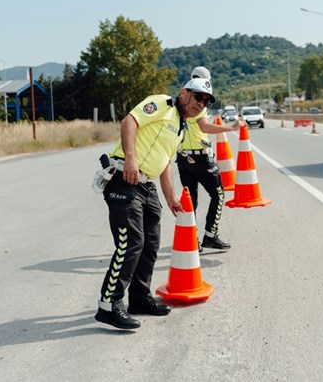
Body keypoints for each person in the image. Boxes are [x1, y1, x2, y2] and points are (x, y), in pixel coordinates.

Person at [94, 77, 216, 330]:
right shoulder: (163, 103)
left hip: (147, 186)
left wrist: (170, 197)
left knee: (150, 244)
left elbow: (165, 165)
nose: (201, 104)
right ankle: (109, 304)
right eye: (198, 97)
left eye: (206, 101)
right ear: (184, 93)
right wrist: (130, 159)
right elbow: (129, 121)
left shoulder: (181, 128)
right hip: (124, 178)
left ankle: (139, 298)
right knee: (131, 242)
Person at [176, 66, 241, 252]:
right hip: (200, 157)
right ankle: (210, 236)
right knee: (218, 194)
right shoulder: (200, 98)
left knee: (191, 201)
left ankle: (192, 239)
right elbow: (204, 127)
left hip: (183, 157)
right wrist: (230, 128)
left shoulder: (183, 99)